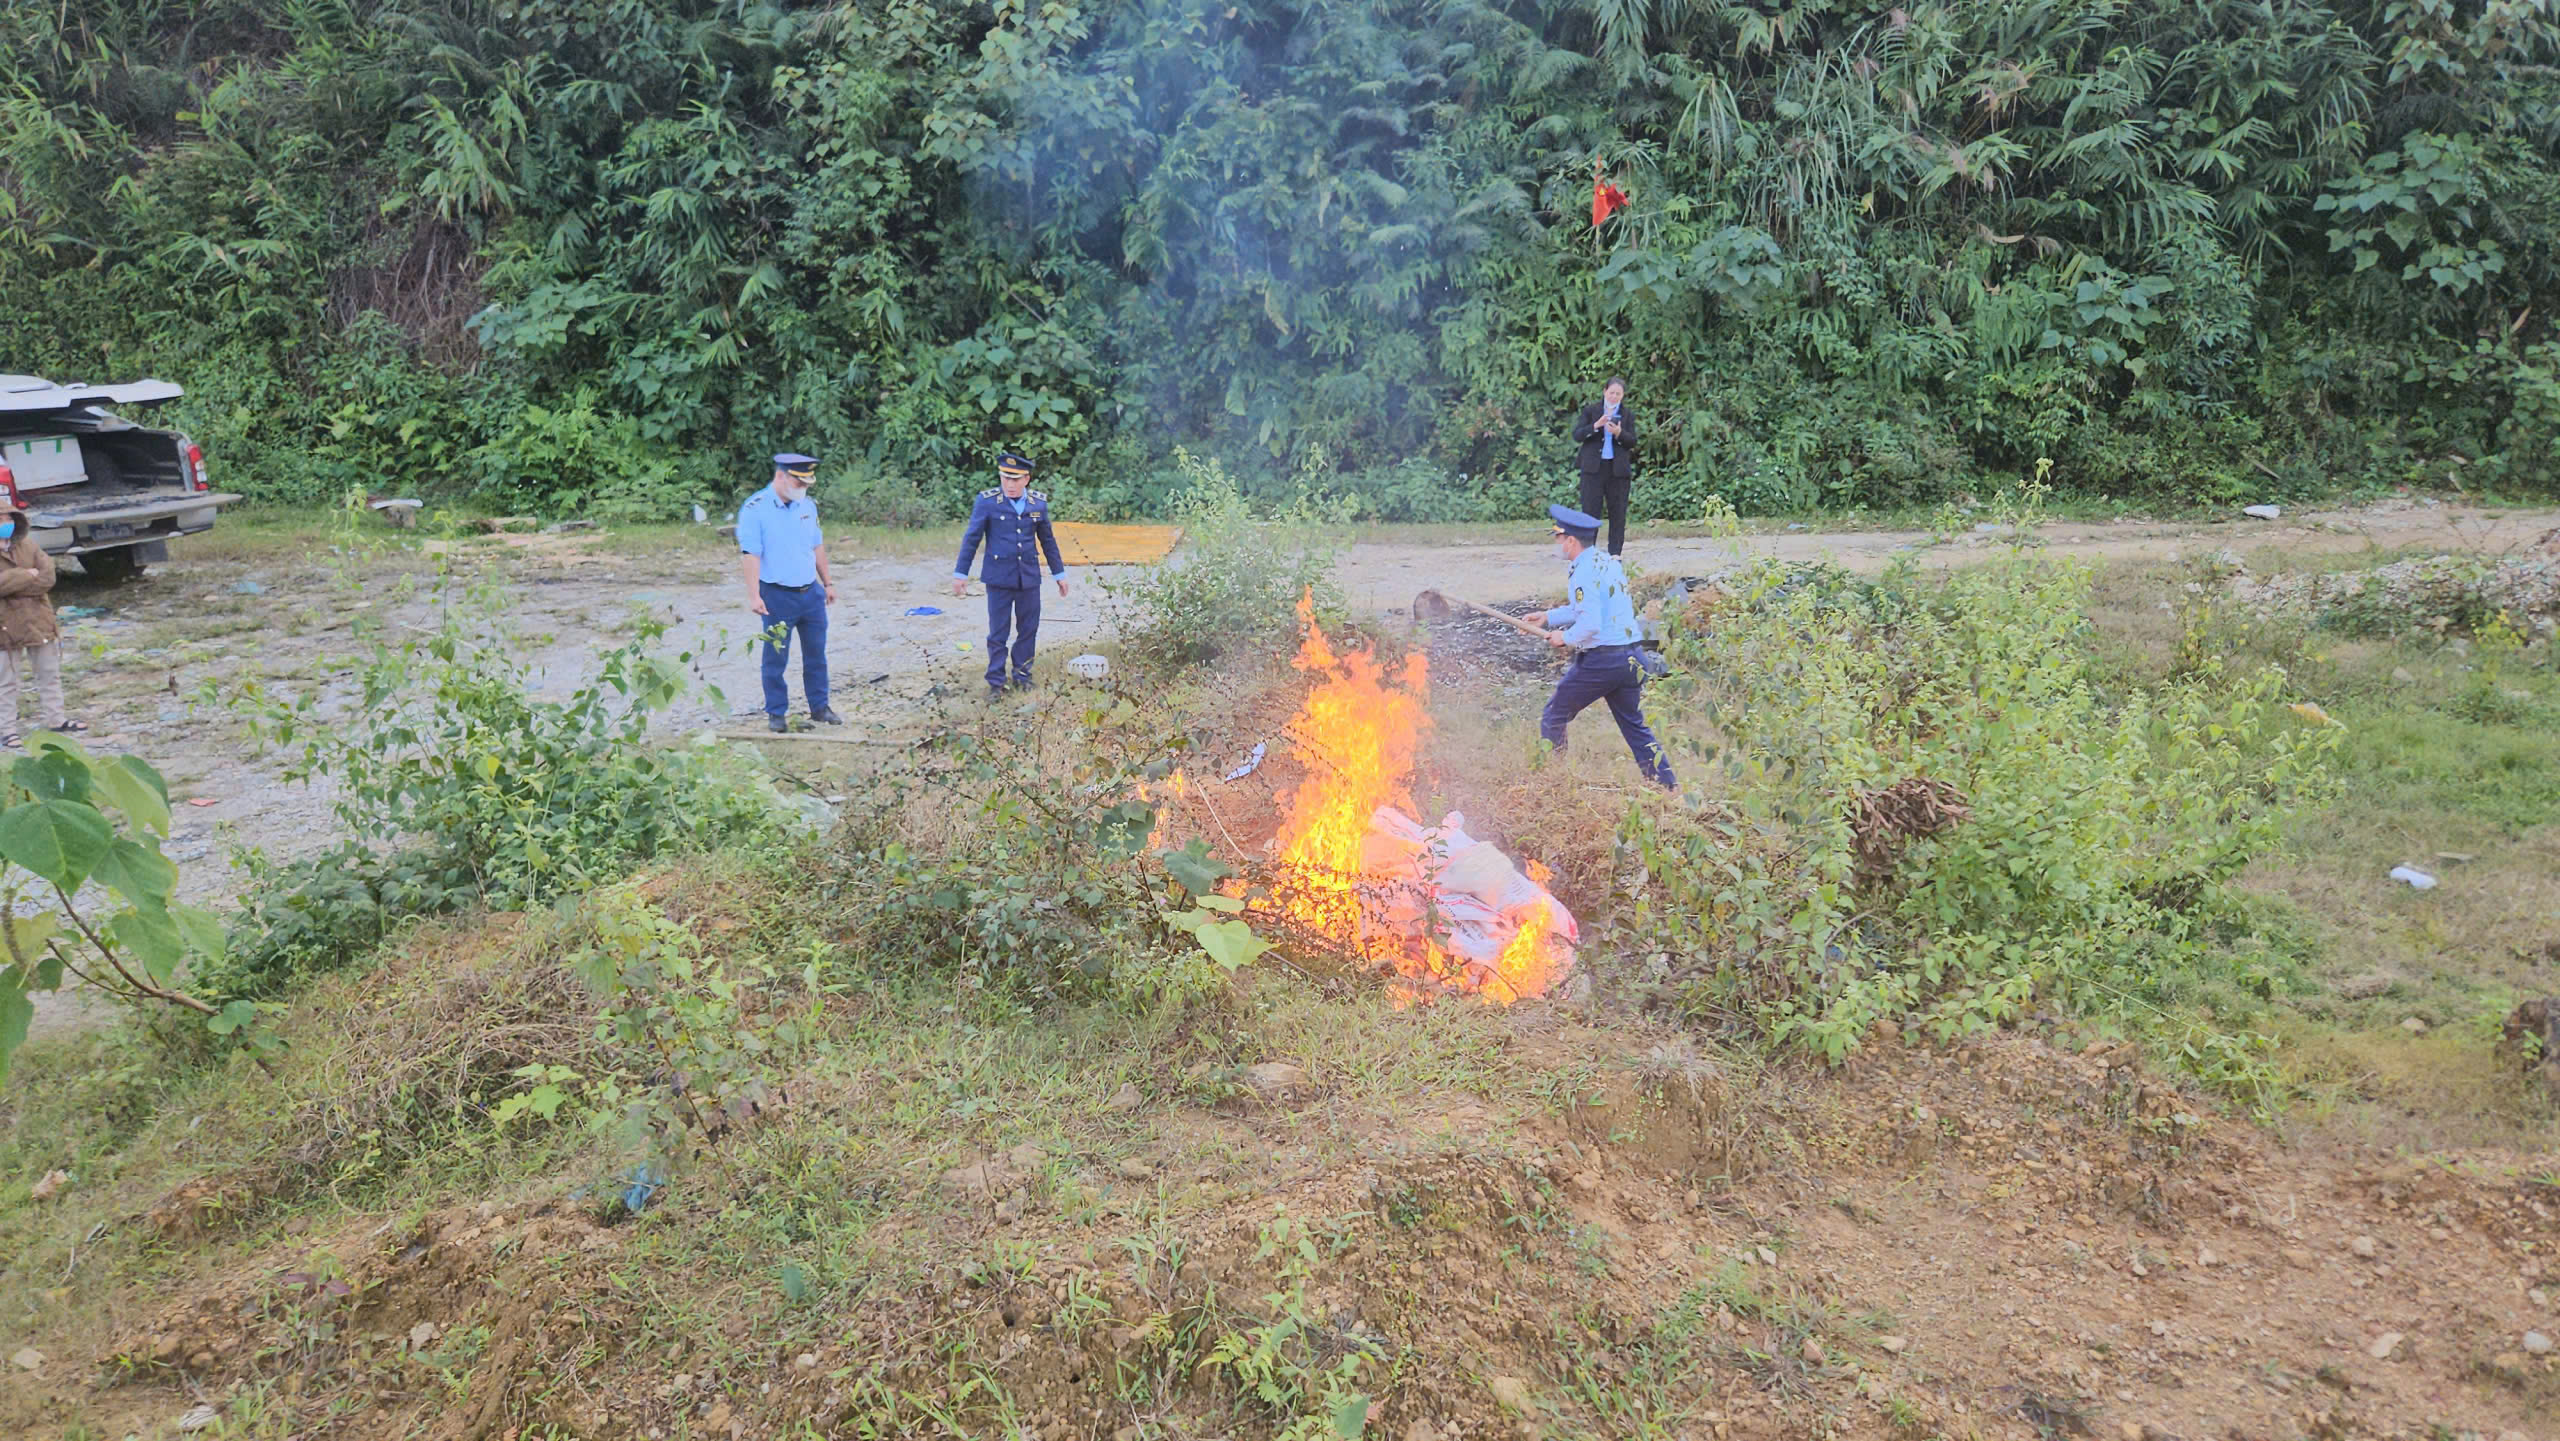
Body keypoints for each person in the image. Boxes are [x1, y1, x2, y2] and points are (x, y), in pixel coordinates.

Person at [1522, 503, 1675, 790]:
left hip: (1604, 661)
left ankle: (1553, 783)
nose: (1556, 544)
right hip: (1632, 658)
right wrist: (1548, 617)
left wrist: (1564, 638)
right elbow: (1585, 609)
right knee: (1634, 726)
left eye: (1558, 537)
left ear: (1571, 541)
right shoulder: (1605, 562)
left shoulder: (1583, 572)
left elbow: (1590, 624)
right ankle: (1668, 788)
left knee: (1554, 714)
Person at [737, 453, 840, 733]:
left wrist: (828, 583)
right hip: (777, 595)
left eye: (806, 483)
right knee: (775, 657)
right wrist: (754, 595)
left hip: (810, 593)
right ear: (781, 476)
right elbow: (751, 554)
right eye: (798, 482)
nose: (803, 488)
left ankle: (820, 707)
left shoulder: (807, 505)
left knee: (816, 654)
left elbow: (816, 546)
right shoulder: (755, 509)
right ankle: (776, 712)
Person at [952, 452, 1069, 697]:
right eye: (1005, 478)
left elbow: (1047, 541)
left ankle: (1022, 675)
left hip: (1028, 577)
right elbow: (972, 538)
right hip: (999, 577)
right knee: (998, 632)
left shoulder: (1038, 504)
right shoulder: (987, 502)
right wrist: (960, 573)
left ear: (1027, 479)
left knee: (1028, 628)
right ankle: (996, 682)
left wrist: (1059, 573)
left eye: (1015, 479)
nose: (1010, 484)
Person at [0, 504, 82, 749]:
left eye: (8, 517)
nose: (5, 523)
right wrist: (27, 575)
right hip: (5, 625)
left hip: (38, 619)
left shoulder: (29, 545)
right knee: (6, 681)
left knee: (49, 672)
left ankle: (57, 719)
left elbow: (48, 577)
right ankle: (7, 730)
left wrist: (11, 586)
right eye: (0, 519)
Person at [1571, 377, 1637, 556]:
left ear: (1623, 395)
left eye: (1618, 394)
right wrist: (1595, 426)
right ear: (1604, 392)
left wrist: (1619, 433)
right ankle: (1587, 554)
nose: (1614, 396)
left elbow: (1632, 442)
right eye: (1611, 392)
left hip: (1617, 471)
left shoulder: (1627, 415)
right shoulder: (1591, 411)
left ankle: (1615, 555)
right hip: (1593, 470)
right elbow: (1577, 435)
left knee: (1618, 514)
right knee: (1589, 513)